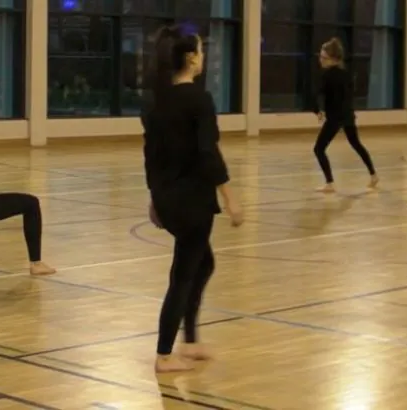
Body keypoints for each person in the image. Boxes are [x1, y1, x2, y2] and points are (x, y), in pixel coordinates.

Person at [140, 25, 243, 373]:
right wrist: (229, 196)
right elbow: (208, 152)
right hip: (192, 201)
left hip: (169, 199)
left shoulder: (157, 101)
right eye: (200, 51)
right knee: (183, 274)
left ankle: (191, 340)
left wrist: (155, 198)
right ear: (191, 58)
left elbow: (150, 156)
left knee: (203, 263)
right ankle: (165, 354)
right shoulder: (200, 99)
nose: (204, 57)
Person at [312, 37, 378, 193]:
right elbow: (348, 97)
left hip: (335, 117)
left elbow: (316, 94)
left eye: (323, 58)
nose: (320, 60)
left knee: (318, 149)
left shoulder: (327, 76)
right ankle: (373, 175)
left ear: (332, 59)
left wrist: (318, 110)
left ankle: (330, 183)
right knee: (356, 144)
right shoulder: (346, 74)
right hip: (347, 115)